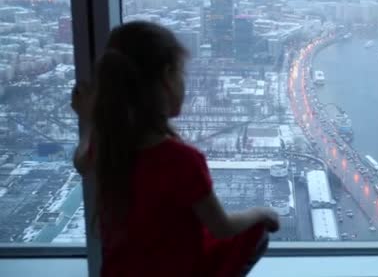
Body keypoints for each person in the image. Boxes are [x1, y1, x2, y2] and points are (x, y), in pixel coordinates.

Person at [71, 21, 280, 277]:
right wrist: (261, 212)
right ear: (168, 78)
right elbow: (222, 227)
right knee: (255, 232)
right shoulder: (182, 161)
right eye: (182, 74)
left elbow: (81, 162)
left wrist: (91, 120)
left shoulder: (111, 145)